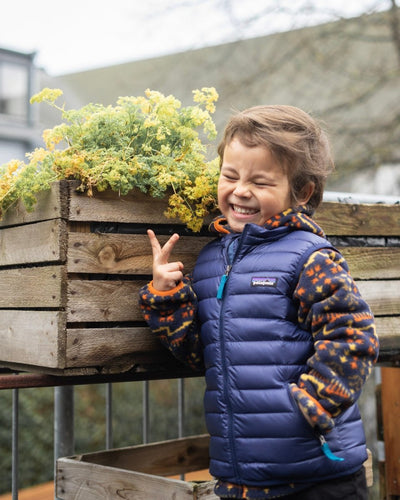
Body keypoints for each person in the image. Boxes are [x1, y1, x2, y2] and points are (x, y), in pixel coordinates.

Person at [139, 105, 379, 499]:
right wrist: (167, 298)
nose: (240, 190)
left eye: (261, 182)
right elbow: (204, 355)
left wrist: (309, 408)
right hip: (242, 480)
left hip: (319, 478)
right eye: (230, 175)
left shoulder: (310, 257)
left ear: (300, 193)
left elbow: (352, 337)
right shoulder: (213, 261)